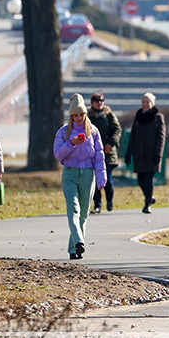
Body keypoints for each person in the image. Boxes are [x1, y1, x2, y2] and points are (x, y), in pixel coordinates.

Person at [54, 94, 107, 260]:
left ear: (85, 114)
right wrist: (71, 143)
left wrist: (101, 178)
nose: (79, 118)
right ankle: (79, 241)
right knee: (74, 209)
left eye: (81, 114)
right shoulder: (63, 132)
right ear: (71, 116)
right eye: (75, 115)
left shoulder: (93, 131)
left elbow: (99, 156)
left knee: (83, 213)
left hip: (88, 175)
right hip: (70, 173)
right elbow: (57, 154)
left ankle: (74, 249)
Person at [124, 92, 166, 214]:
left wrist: (158, 154)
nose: (145, 104)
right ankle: (150, 197)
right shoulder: (138, 116)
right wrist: (128, 153)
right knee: (140, 180)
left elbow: (161, 137)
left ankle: (147, 203)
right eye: (143, 102)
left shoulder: (158, 117)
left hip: (151, 154)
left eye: (148, 102)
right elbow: (132, 136)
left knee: (149, 179)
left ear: (152, 103)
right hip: (139, 154)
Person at [87, 93, 121, 213]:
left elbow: (117, 130)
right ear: (92, 103)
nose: (99, 102)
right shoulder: (88, 116)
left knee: (107, 179)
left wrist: (111, 143)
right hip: (94, 153)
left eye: (101, 100)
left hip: (108, 153)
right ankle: (98, 205)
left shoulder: (109, 115)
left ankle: (110, 200)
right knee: (95, 180)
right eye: (96, 100)